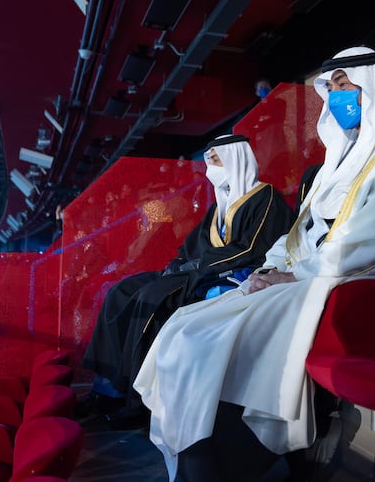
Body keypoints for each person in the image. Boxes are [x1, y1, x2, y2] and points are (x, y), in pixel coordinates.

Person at [134, 46, 375, 481]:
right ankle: (199, 450)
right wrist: (272, 267)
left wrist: (296, 273)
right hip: (306, 276)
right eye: (331, 87)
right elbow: (297, 233)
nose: (336, 95)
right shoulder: (333, 169)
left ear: (374, 87)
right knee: (187, 326)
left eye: (344, 84)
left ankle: (233, 451)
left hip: (353, 283)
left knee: (209, 340)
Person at [80, 134, 294, 426]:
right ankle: (105, 388)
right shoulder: (220, 205)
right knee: (122, 290)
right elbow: (196, 244)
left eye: (216, 160)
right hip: (196, 271)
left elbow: (251, 249)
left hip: (227, 275)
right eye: (208, 161)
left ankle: (137, 402)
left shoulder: (265, 198)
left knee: (152, 299)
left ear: (236, 158)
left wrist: (199, 265)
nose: (211, 168)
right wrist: (181, 263)